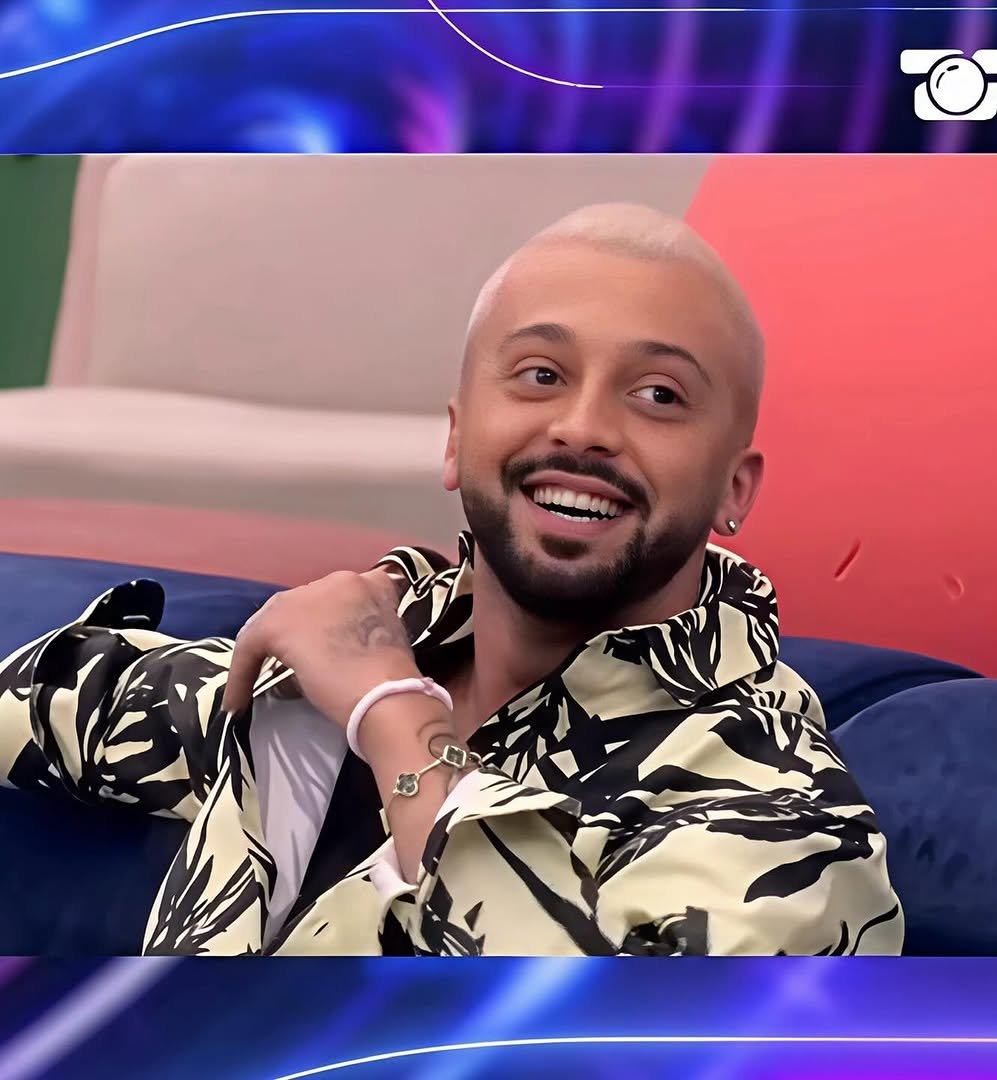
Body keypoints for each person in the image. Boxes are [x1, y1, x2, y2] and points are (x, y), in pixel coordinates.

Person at [0, 203, 903, 956]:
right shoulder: (359, 642)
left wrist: (395, 721)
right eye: (541, 374)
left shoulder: (785, 815)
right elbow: (68, 704)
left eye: (658, 394)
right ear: (457, 436)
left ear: (734, 489)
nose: (584, 428)